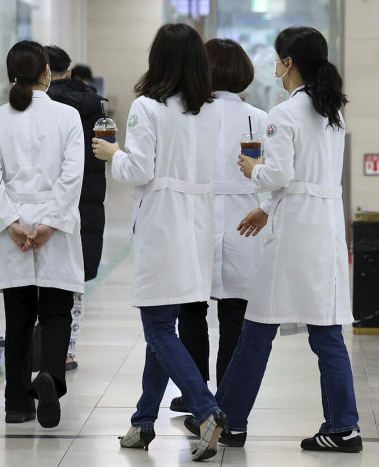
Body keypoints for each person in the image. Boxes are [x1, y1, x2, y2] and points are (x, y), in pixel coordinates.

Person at [212, 26, 362, 452]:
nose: (275, 66)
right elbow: (307, 181)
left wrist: (250, 170)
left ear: (289, 63)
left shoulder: (283, 113)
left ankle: (230, 421)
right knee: (325, 330)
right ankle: (341, 425)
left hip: (294, 234)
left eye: (278, 59)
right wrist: (268, 206)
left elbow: (278, 176)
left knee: (258, 327)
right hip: (323, 228)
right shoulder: (331, 110)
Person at [92, 23, 227, 462]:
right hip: (197, 224)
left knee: (156, 327)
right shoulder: (210, 111)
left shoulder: (146, 107)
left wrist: (113, 155)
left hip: (162, 224)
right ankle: (143, 420)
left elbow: (140, 171)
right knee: (165, 324)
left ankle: (205, 409)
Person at [0, 40, 85, 429]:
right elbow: (72, 176)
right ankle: (50, 378)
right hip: (54, 226)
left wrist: (13, 224)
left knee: (18, 316)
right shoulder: (67, 116)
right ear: (47, 73)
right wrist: (49, 225)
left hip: (14, 229)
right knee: (57, 311)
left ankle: (16, 404)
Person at [170, 38, 267, 414]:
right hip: (247, 222)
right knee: (235, 314)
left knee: (191, 310)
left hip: (197, 219)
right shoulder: (259, 118)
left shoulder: (187, 115)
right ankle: (227, 396)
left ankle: (197, 393)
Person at [45, 45, 106, 371]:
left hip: (44, 198)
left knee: (41, 279)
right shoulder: (93, 104)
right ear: (68, 72)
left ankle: (40, 346)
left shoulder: (32, 103)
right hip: (86, 197)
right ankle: (67, 350)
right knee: (75, 280)